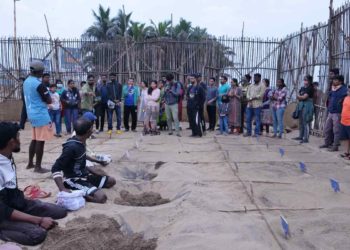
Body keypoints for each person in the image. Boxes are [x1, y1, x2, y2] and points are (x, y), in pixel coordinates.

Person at [0, 122, 67, 246]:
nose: (20, 139)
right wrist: (39, 220)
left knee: (60, 211)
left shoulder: (7, 156)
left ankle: (24, 217)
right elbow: (2, 209)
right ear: (11, 142)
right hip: (2, 214)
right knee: (37, 234)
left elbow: (10, 188)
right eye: (18, 136)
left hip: (15, 203)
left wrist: (25, 201)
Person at [52, 118, 116, 203]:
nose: (93, 130)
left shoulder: (80, 141)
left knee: (111, 181)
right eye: (92, 128)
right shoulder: (71, 147)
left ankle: (88, 189)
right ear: (88, 131)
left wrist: (96, 163)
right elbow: (55, 168)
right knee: (101, 198)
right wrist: (62, 189)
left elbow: (81, 156)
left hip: (84, 176)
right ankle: (78, 193)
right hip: (73, 179)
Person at [23, 60, 53, 173]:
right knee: (41, 141)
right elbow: (49, 100)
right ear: (40, 71)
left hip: (31, 113)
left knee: (34, 139)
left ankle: (30, 163)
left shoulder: (26, 82)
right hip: (40, 114)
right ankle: (38, 167)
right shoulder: (39, 84)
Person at [319, 75, 347, 151]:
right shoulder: (333, 88)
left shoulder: (344, 90)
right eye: (334, 80)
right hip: (331, 111)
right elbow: (329, 98)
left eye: (335, 80)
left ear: (340, 82)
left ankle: (335, 146)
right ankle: (327, 143)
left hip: (337, 112)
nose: (333, 81)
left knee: (336, 130)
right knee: (327, 128)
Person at [293, 75, 315, 143]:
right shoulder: (302, 88)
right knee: (301, 122)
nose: (305, 81)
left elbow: (304, 97)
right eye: (304, 79)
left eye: (306, 80)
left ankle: (306, 138)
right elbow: (300, 96)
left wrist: (300, 97)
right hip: (302, 105)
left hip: (307, 106)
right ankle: (300, 136)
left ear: (310, 81)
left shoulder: (310, 88)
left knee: (306, 122)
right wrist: (300, 97)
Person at [339, 85, 350, 159]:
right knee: (346, 138)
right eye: (348, 90)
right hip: (344, 121)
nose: (348, 92)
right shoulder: (346, 98)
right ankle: (347, 152)